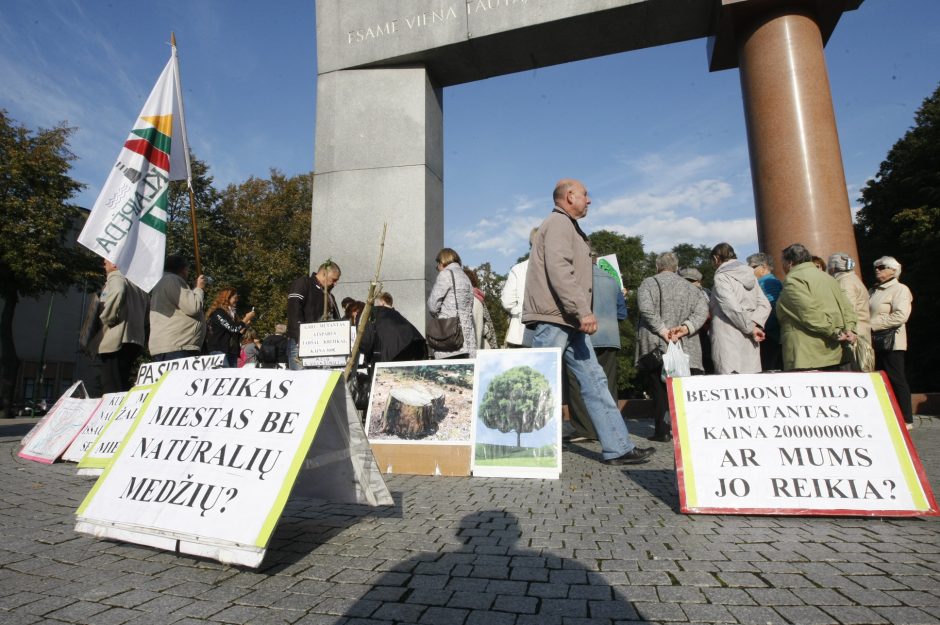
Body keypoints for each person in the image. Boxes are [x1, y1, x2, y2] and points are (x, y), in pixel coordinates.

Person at [523, 178, 654, 465]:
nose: (590, 200)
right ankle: (521, 449)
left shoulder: (565, 225)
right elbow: (560, 269)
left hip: (565, 320)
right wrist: (582, 309)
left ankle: (618, 447)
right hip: (556, 318)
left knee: (594, 381)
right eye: (585, 194)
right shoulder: (558, 224)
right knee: (540, 384)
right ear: (570, 196)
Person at [636, 252, 709, 442]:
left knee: (659, 389)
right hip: (687, 347)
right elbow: (702, 311)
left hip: (656, 345)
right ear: (677, 268)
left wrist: (662, 331)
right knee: (685, 390)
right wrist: (685, 328)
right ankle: (688, 430)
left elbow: (645, 309)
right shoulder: (692, 288)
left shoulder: (649, 283)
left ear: (656, 266)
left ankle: (662, 430)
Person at [566, 251, 628, 442]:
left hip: (583, 335)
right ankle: (610, 430)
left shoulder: (575, 278)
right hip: (609, 336)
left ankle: (584, 429)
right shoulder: (611, 278)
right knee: (608, 384)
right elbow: (622, 313)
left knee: (577, 381)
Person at [775, 243, 857, 371]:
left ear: (790, 263)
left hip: (808, 353)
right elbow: (847, 307)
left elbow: (807, 313)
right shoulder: (828, 278)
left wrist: (834, 331)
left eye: (782, 262)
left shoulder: (793, 280)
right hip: (835, 350)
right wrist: (850, 329)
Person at [708, 243, 771, 374]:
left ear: (715, 258)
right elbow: (765, 305)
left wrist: (750, 327)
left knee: (730, 384)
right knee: (750, 383)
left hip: (727, 335)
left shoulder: (721, 276)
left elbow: (731, 307)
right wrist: (754, 324)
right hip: (750, 337)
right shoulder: (751, 275)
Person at [869, 255, 913, 428]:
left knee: (896, 377)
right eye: (876, 267)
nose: (877, 270)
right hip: (874, 340)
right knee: (879, 377)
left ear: (893, 270)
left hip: (891, 340)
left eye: (881, 267)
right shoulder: (873, 290)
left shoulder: (900, 289)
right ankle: (887, 414)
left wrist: (873, 325)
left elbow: (901, 316)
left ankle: (906, 418)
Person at [97, 259, 149, 392]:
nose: (104, 265)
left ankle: (111, 412)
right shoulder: (138, 284)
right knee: (122, 382)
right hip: (134, 339)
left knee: (111, 385)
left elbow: (118, 291)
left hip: (117, 338)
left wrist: (107, 318)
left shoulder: (116, 275)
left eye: (106, 262)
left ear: (114, 264)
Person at [148, 255, 207, 362]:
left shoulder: (163, 282)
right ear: (183, 269)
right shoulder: (172, 280)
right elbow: (193, 307)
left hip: (171, 345)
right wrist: (199, 289)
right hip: (177, 346)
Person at [287, 261, 341, 370]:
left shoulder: (330, 296)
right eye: (334, 280)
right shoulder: (303, 283)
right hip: (301, 345)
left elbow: (336, 320)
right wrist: (301, 339)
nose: (336, 284)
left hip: (323, 347)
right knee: (300, 380)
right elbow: (294, 311)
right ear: (324, 274)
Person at [427, 248, 476, 359]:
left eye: (437, 265)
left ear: (442, 262)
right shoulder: (466, 278)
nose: (438, 269)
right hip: (467, 339)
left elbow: (432, 306)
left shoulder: (446, 274)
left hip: (449, 338)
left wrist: (439, 315)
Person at [828, 252, 873, 372]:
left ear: (833, 267)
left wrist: (846, 330)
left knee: (853, 371)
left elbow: (848, 308)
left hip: (852, 334)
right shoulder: (853, 279)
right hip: (861, 330)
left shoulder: (844, 282)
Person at [359, 291, 427, 364]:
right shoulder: (399, 317)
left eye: (378, 303)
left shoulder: (376, 313)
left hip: (386, 358)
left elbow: (367, 339)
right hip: (408, 354)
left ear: (382, 302)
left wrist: (365, 355)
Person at [500, 228, 538, 348]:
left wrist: (519, 311)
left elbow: (507, 301)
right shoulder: (554, 268)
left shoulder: (518, 269)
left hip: (519, 333)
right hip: (549, 334)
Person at [746, 252, 783, 371]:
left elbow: (772, 309)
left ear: (764, 267)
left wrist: (759, 327)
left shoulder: (768, 283)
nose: (749, 270)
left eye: (752, 267)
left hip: (770, 337)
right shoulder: (765, 282)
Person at [205, 288, 256, 367]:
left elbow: (237, 333)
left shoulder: (233, 314)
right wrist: (246, 319)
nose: (237, 300)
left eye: (237, 298)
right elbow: (233, 328)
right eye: (235, 298)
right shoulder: (219, 312)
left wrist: (245, 325)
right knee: (224, 376)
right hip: (219, 350)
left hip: (232, 351)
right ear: (226, 298)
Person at [678, 267, 713, 374]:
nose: (688, 283)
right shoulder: (677, 293)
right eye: (685, 280)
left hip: (706, 334)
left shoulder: (707, 293)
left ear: (699, 282)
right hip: (685, 335)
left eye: (691, 281)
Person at [464, 268, 497, 350]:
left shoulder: (473, 299)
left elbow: (477, 331)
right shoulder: (475, 297)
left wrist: (474, 357)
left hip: (479, 350)